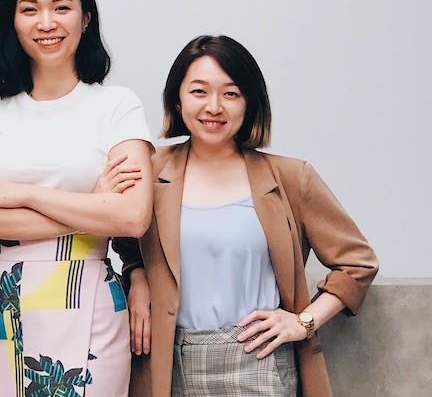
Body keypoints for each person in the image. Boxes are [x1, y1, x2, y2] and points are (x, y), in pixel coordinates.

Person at [114, 35, 378, 397]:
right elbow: (126, 239)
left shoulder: (291, 177)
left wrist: (304, 321)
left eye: (231, 94)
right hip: (165, 366)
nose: (214, 107)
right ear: (177, 99)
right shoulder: (149, 170)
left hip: (259, 362)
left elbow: (357, 263)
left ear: (249, 102)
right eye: (199, 91)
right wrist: (138, 277)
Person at [0, 0, 154, 397]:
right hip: (4, 304)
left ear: (85, 19)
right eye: (30, 9)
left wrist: (19, 194)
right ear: (12, 21)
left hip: (91, 302)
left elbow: (133, 217)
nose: (47, 22)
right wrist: (94, 208)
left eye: (62, 7)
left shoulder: (117, 106)